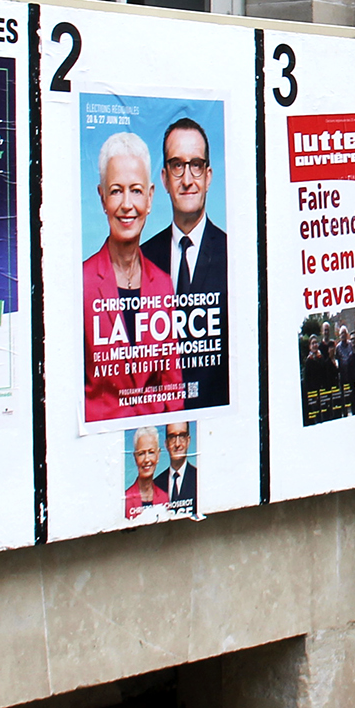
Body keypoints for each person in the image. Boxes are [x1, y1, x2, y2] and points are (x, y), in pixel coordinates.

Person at [84, 132, 184, 421]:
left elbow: (172, 388)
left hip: (154, 447)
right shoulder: (82, 283)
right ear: (102, 197)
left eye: (136, 190)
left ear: (150, 197)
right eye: (116, 191)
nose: (127, 204)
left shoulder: (164, 283)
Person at [141, 117, 229, 408]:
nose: (188, 179)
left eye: (197, 165)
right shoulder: (141, 260)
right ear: (164, 178)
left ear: (209, 176)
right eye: (178, 166)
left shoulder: (233, 254)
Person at [155, 421, 197, 514]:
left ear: (188, 441)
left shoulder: (199, 478)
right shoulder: (156, 484)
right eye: (172, 437)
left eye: (182, 436)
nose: (177, 444)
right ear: (166, 444)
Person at [123, 427, 162, 519]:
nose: (147, 459)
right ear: (135, 457)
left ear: (158, 455)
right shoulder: (125, 500)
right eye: (141, 453)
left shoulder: (165, 497)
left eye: (151, 452)